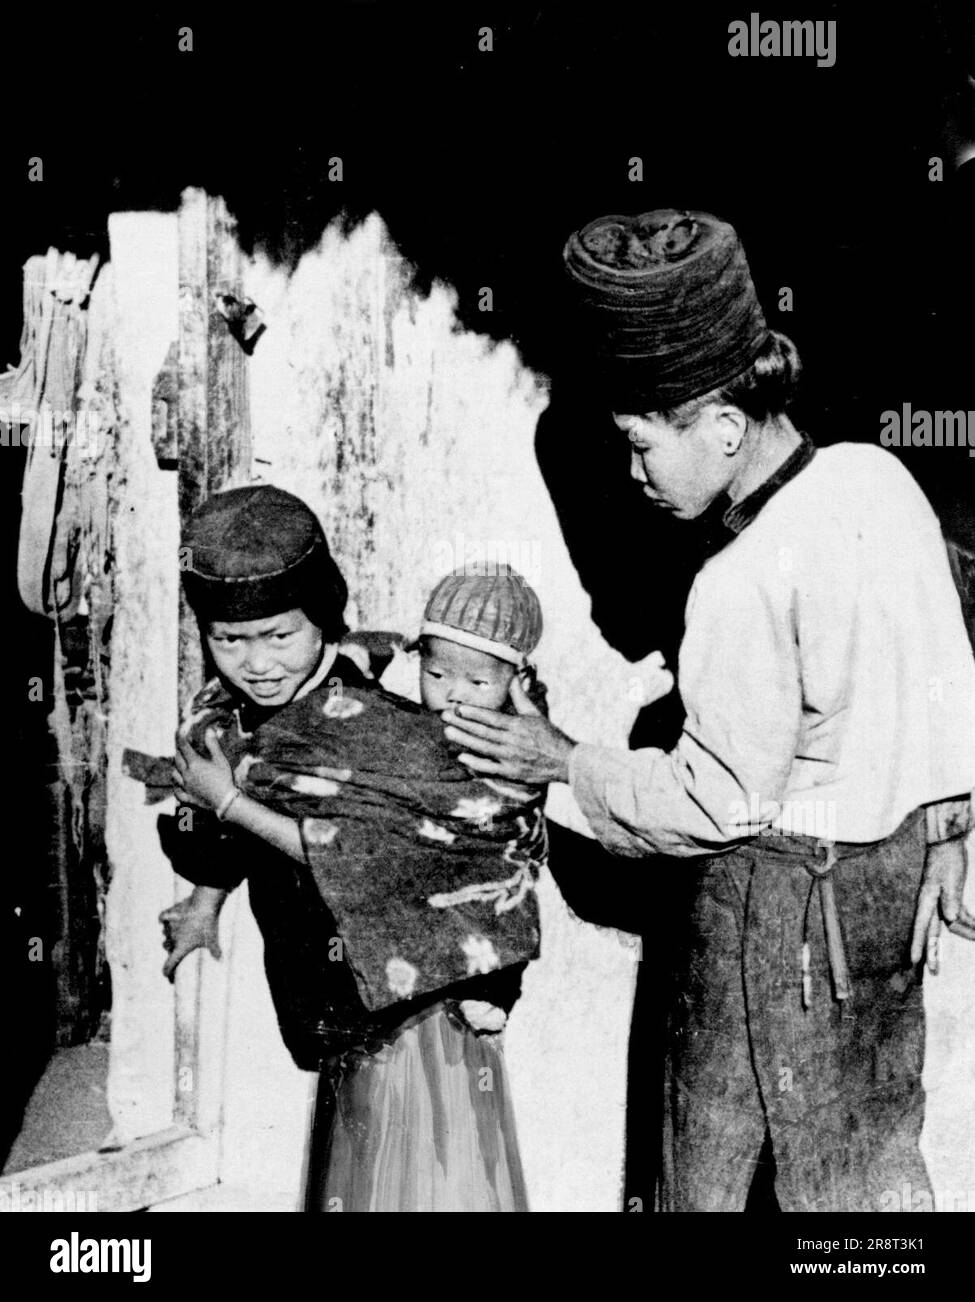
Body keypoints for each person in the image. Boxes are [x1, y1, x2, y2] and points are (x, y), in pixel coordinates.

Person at [442, 207, 975, 1212]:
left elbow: (712, 804)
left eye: (640, 446)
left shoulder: (736, 581)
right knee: (865, 1159)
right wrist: (950, 827)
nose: (634, 475)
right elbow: (947, 680)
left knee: (710, 1169)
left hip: (773, 918)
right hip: (887, 908)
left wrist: (558, 758)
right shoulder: (880, 479)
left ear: (724, 427)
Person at [140, 485, 546, 1211]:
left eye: (279, 637)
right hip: (327, 985)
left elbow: (367, 848)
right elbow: (228, 831)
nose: (255, 663)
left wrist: (227, 797)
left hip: (414, 995)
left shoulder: (371, 724)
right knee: (357, 1158)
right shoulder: (231, 718)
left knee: (422, 1163)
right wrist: (202, 904)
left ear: (324, 621)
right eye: (228, 641)